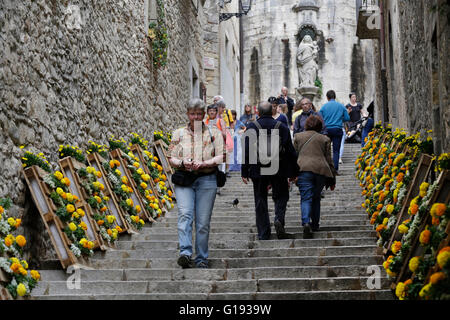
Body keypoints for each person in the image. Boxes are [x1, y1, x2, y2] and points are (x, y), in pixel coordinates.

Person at [168, 98, 225, 269]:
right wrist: (182, 163)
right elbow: (171, 157)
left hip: (207, 179)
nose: (195, 117)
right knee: (185, 214)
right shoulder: (178, 134)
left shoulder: (214, 133)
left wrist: (206, 163)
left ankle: (201, 257)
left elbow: (222, 156)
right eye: (192, 114)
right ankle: (185, 253)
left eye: (199, 114)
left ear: (204, 115)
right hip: (185, 179)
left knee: (202, 222)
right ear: (187, 114)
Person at [241, 101, 298, 240]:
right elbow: (290, 151)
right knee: (282, 196)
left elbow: (246, 151)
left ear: (258, 113)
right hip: (278, 168)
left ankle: (263, 233)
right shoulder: (282, 127)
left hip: (257, 168)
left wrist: (244, 171)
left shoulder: (251, 127)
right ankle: (278, 219)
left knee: (260, 199)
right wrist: (294, 172)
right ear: (272, 112)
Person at [294, 115, 336, 239]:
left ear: (306, 125)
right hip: (320, 171)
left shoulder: (298, 137)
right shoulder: (324, 139)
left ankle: (306, 222)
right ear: (319, 126)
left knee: (306, 197)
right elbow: (329, 160)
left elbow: (294, 156)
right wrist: (333, 178)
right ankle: (315, 224)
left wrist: (292, 174)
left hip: (303, 170)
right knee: (316, 197)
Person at [319, 90, 350, 173]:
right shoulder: (341, 106)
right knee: (336, 150)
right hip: (337, 129)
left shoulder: (323, 107)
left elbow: (320, 118)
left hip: (326, 130)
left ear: (327, 97)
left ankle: (326, 169)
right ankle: (335, 169)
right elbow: (347, 118)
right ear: (335, 97)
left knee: (326, 150)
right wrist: (339, 119)